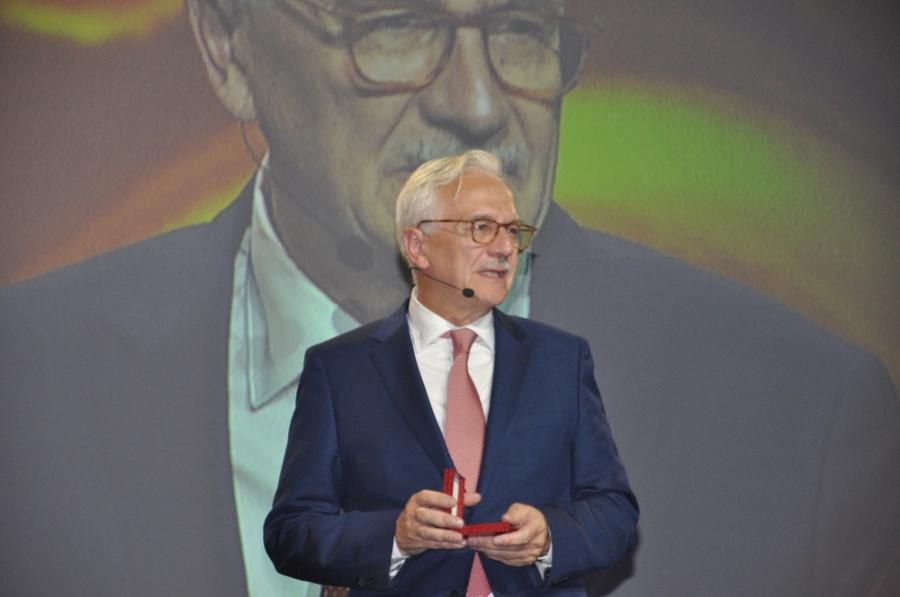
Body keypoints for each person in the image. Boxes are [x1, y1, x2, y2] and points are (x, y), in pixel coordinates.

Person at [1, 0, 898, 595]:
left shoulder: (804, 427)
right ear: (230, 41)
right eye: (396, 21)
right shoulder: (24, 396)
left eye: (520, 26)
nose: (475, 103)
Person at [264, 149, 638, 594]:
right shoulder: (340, 370)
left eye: (513, 231)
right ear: (417, 246)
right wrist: (394, 536)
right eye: (481, 228)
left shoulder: (561, 361)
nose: (504, 248)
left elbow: (615, 513)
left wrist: (549, 537)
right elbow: (292, 530)